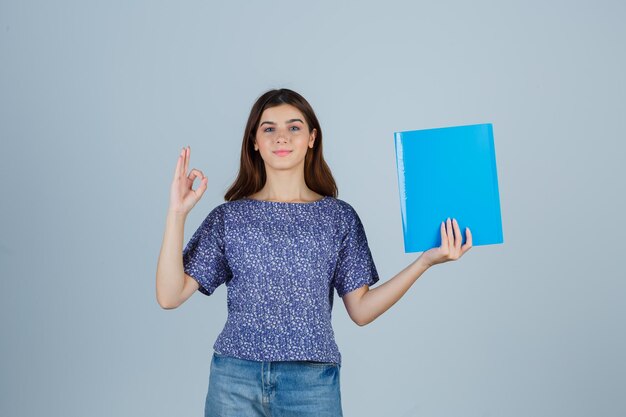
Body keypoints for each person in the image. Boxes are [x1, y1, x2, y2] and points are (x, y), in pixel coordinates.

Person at [155, 88, 472, 417]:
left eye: (294, 127)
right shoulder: (229, 218)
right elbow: (169, 296)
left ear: (311, 138)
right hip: (234, 378)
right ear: (254, 141)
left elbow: (361, 310)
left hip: (310, 384)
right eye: (269, 128)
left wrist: (424, 262)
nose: (282, 137)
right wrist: (177, 213)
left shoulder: (338, 218)